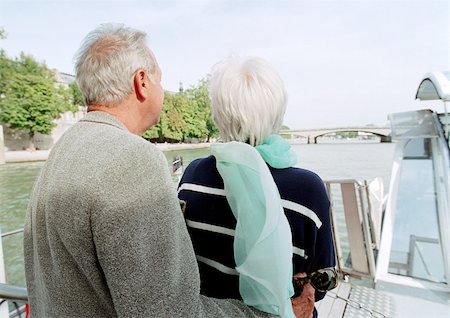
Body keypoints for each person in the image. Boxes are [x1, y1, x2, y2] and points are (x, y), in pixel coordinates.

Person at [23, 24, 296, 317]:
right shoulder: (133, 159)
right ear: (142, 81)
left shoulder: (63, 151)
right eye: (160, 80)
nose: (162, 91)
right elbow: (168, 311)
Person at [178, 56, 336, 318]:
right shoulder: (309, 190)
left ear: (218, 117)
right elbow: (318, 285)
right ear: (278, 114)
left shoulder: (193, 175)